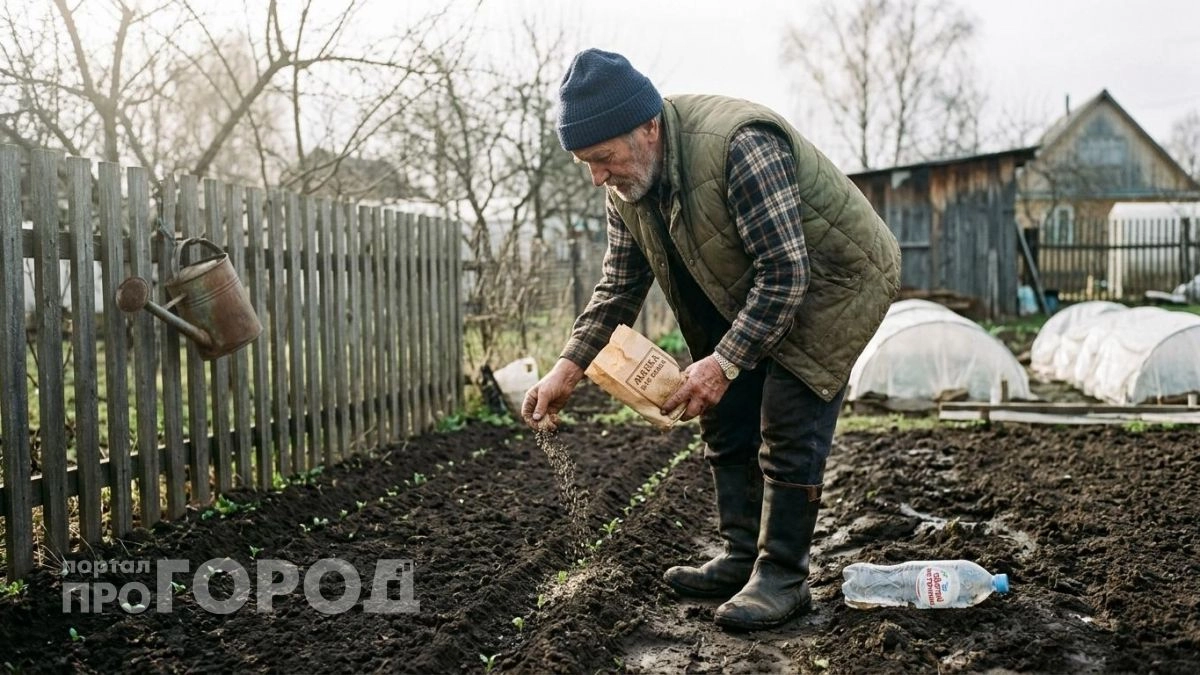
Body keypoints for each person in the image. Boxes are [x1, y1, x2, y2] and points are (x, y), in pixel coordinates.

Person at [521, 48, 901, 631]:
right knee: (723, 414)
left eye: (602, 158)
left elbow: (786, 273)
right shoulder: (626, 188)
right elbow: (619, 287)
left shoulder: (740, 146)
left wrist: (723, 363)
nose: (597, 176)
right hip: (754, 282)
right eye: (584, 163)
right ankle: (741, 556)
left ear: (647, 128)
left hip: (833, 281)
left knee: (788, 419)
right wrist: (566, 369)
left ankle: (783, 577)